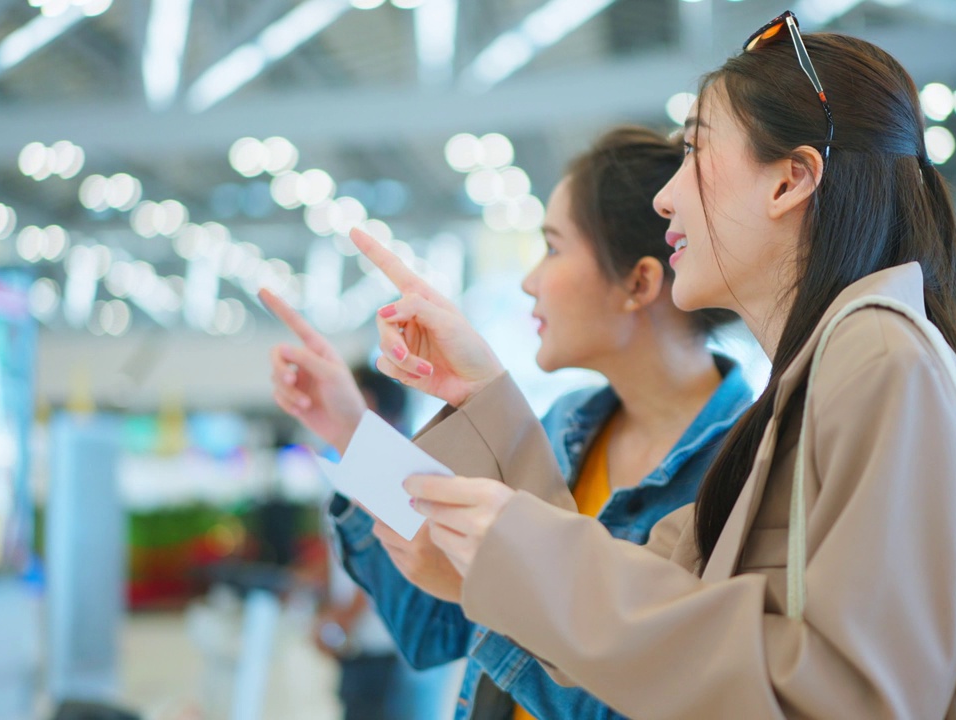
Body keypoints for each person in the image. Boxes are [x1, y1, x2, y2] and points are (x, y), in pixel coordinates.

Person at [354, 13, 956, 718]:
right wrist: (476, 400)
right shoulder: (800, 395)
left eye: (695, 151)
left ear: (790, 182)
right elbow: (648, 603)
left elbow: (850, 693)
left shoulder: (876, 355)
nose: (668, 194)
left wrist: (509, 551)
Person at [264, 127, 751, 719]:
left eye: (552, 247)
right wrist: (351, 429)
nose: (529, 280)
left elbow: (643, 697)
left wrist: (488, 589)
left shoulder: (741, 471)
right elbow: (432, 626)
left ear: (640, 281)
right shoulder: (562, 427)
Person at [303, 366, 453, 720]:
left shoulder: (397, 467)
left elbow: (385, 552)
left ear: (369, 402)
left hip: (390, 644)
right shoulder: (350, 467)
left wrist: (340, 622)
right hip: (366, 644)